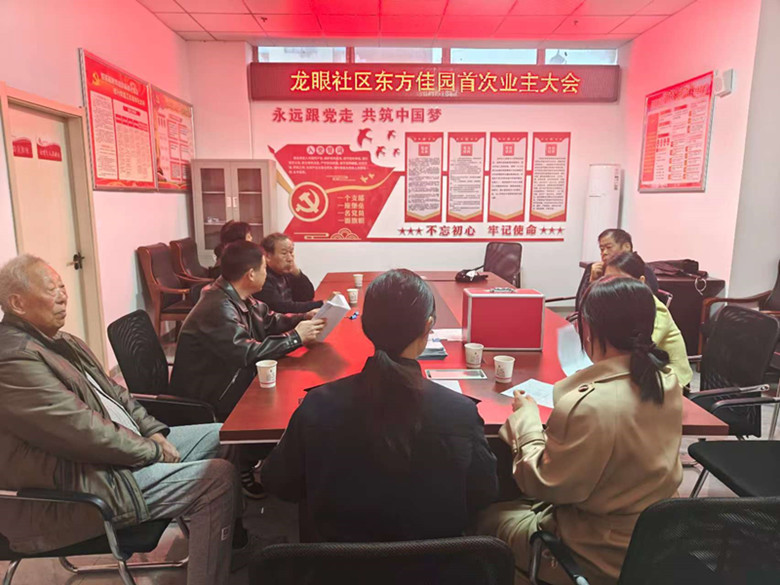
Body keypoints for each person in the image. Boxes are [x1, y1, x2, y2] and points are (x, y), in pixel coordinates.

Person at [0, 255, 244, 585]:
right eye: (51, 289)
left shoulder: (62, 341)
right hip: (80, 486)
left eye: (62, 286)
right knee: (217, 478)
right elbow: (81, 432)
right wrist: (151, 451)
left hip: (117, 456)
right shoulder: (12, 360)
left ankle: (227, 542)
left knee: (225, 434)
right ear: (18, 303)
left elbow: (118, 395)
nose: (63, 296)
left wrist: (153, 432)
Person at [261, 269, 498, 541]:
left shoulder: (317, 405)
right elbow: (484, 493)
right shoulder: (460, 413)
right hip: (435, 563)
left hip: (336, 561)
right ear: (427, 326)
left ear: (365, 326)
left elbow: (279, 483)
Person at [478, 277, 683, 585]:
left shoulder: (591, 405)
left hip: (593, 554)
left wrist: (526, 421)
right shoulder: (665, 381)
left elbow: (542, 485)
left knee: (484, 517)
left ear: (588, 328)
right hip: (654, 544)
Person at [171, 240, 324, 422]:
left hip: (231, 381)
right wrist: (296, 338)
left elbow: (269, 320)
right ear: (251, 274)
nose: (266, 274)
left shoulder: (237, 294)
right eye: (264, 269)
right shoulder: (218, 307)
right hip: (212, 398)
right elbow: (247, 353)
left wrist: (304, 317)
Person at [605, 252, 693, 387]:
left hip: (672, 378)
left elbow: (638, 350)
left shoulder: (655, 309)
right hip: (645, 370)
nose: (613, 287)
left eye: (620, 281)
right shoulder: (622, 304)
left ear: (640, 281)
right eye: (607, 280)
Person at [575, 229, 659, 308]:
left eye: (609, 247)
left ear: (626, 247)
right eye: (602, 249)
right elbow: (580, 306)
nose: (604, 252)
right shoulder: (595, 269)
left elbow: (646, 301)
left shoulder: (641, 268)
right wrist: (592, 281)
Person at [256, 232, 323, 313]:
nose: (290, 258)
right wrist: (321, 304)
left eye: (291, 252)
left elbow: (307, 296)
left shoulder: (286, 273)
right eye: (284, 253)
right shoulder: (263, 278)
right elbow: (283, 307)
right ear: (268, 256)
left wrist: (297, 272)